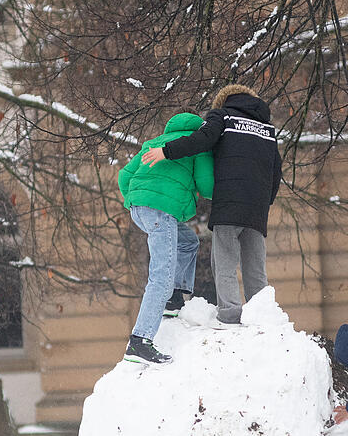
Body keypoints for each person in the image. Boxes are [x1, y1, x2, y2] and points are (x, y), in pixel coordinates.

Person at [142, 84, 282, 325]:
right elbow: (276, 169)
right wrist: (264, 201)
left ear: (224, 100)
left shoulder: (222, 115)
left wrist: (167, 151)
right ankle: (262, 317)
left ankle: (229, 316)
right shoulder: (267, 129)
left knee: (224, 260)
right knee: (255, 264)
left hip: (229, 201)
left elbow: (203, 139)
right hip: (257, 206)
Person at [118, 111, 214, 364]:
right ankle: (140, 341)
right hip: (161, 211)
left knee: (188, 241)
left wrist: (138, 198)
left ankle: (173, 299)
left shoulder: (153, 143)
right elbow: (206, 185)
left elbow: (124, 176)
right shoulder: (197, 144)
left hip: (140, 209)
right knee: (160, 276)